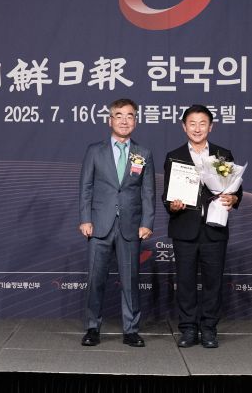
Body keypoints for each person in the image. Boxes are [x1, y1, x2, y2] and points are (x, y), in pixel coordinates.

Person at [162, 104, 242, 349]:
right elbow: (166, 195)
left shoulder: (222, 154)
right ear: (184, 126)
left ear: (211, 126)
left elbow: (237, 190)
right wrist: (172, 205)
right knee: (185, 282)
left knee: (213, 282)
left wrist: (233, 198)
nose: (197, 129)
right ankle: (188, 328)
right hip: (184, 228)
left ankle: (209, 329)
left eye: (202, 123)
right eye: (192, 124)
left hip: (214, 229)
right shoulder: (174, 155)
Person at [78, 98, 155, 347]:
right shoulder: (94, 150)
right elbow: (86, 187)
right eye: (119, 116)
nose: (124, 120)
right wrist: (85, 219)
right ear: (110, 120)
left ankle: (131, 330)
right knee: (95, 279)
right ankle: (92, 328)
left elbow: (148, 192)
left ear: (136, 121)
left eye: (129, 116)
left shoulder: (143, 153)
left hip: (130, 226)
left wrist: (147, 222)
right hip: (99, 224)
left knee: (131, 281)